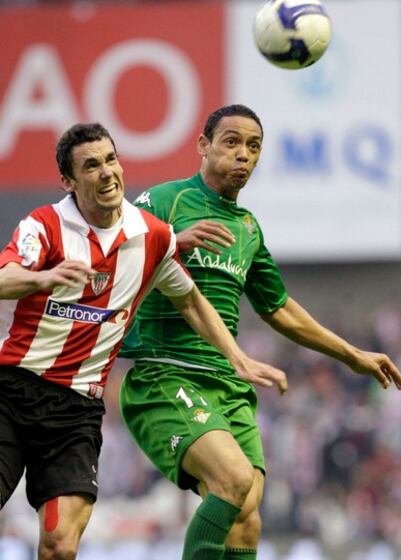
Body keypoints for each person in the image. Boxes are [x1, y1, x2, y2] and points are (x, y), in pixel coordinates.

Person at [119, 104, 401, 560]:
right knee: (232, 481)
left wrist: (351, 354)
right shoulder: (163, 201)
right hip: (167, 375)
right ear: (203, 146)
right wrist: (171, 240)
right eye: (231, 142)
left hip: (229, 385)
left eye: (253, 147)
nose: (243, 155)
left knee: (248, 513)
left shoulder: (247, 227)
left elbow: (279, 308)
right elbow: (116, 259)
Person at [0, 121, 288, 560]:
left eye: (111, 159)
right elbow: (5, 277)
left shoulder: (151, 235)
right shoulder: (44, 226)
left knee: (59, 546)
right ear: (68, 181)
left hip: (76, 411)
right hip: (12, 391)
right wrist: (43, 277)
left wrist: (237, 357)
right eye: (91, 166)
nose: (106, 172)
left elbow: (190, 300)